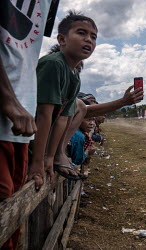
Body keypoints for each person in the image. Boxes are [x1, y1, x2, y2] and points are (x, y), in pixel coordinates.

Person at [0, 1, 58, 249]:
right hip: (13, 112)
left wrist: (41, 160)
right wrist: (8, 99)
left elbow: (23, 51)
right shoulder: (55, 65)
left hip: (21, 127)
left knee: (12, 216)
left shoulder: (50, 2)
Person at [27, 11, 99, 190]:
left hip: (41, 135)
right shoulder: (54, 64)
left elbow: (63, 119)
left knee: (77, 107)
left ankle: (57, 156)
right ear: (62, 39)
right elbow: (44, 115)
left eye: (93, 36)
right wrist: (38, 162)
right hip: (26, 133)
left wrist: (50, 157)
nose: (89, 40)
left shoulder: (74, 74)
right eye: (81, 33)